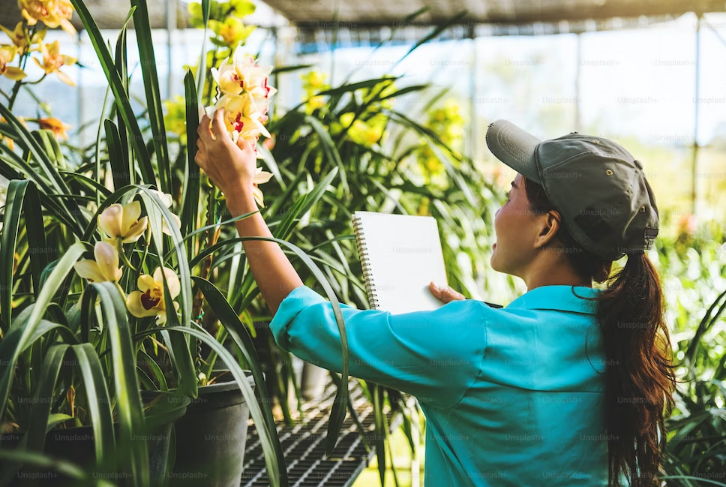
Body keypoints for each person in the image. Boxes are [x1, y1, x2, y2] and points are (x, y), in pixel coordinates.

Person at [195, 110, 676, 486]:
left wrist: (238, 191)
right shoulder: (630, 351)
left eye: (511, 194)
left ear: (547, 227)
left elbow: (304, 320)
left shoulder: (475, 341)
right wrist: (479, 324)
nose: (497, 210)